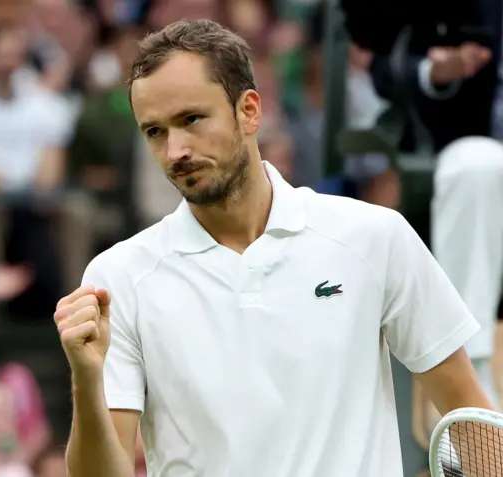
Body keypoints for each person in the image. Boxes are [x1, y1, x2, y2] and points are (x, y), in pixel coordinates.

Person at [54, 20, 494, 477]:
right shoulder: (118, 276)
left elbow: (471, 420)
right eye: (155, 132)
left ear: (249, 111)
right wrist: (87, 381)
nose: (175, 150)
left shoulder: (375, 237)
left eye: (191, 120)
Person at [341, 0, 503, 407]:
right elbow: (384, 65)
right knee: (476, 167)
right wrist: (434, 71)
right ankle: (473, 389)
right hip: (469, 142)